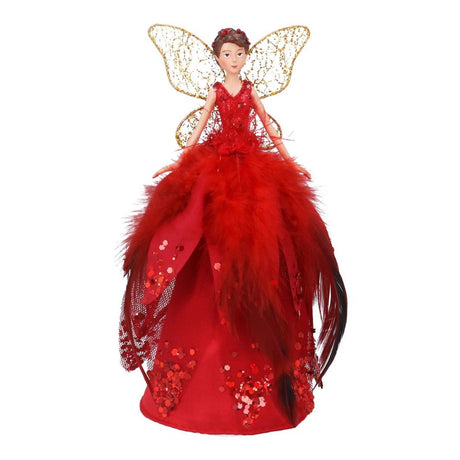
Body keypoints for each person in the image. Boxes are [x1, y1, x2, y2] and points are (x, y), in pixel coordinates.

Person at [119, 26, 347, 435]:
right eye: (227, 54)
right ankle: (197, 383)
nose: (234, 60)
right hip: (216, 167)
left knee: (269, 243)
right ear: (218, 58)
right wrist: (180, 162)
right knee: (199, 238)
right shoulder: (217, 92)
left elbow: (269, 127)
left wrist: (289, 161)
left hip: (253, 167)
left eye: (239, 54)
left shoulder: (250, 90)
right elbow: (200, 126)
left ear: (246, 55)